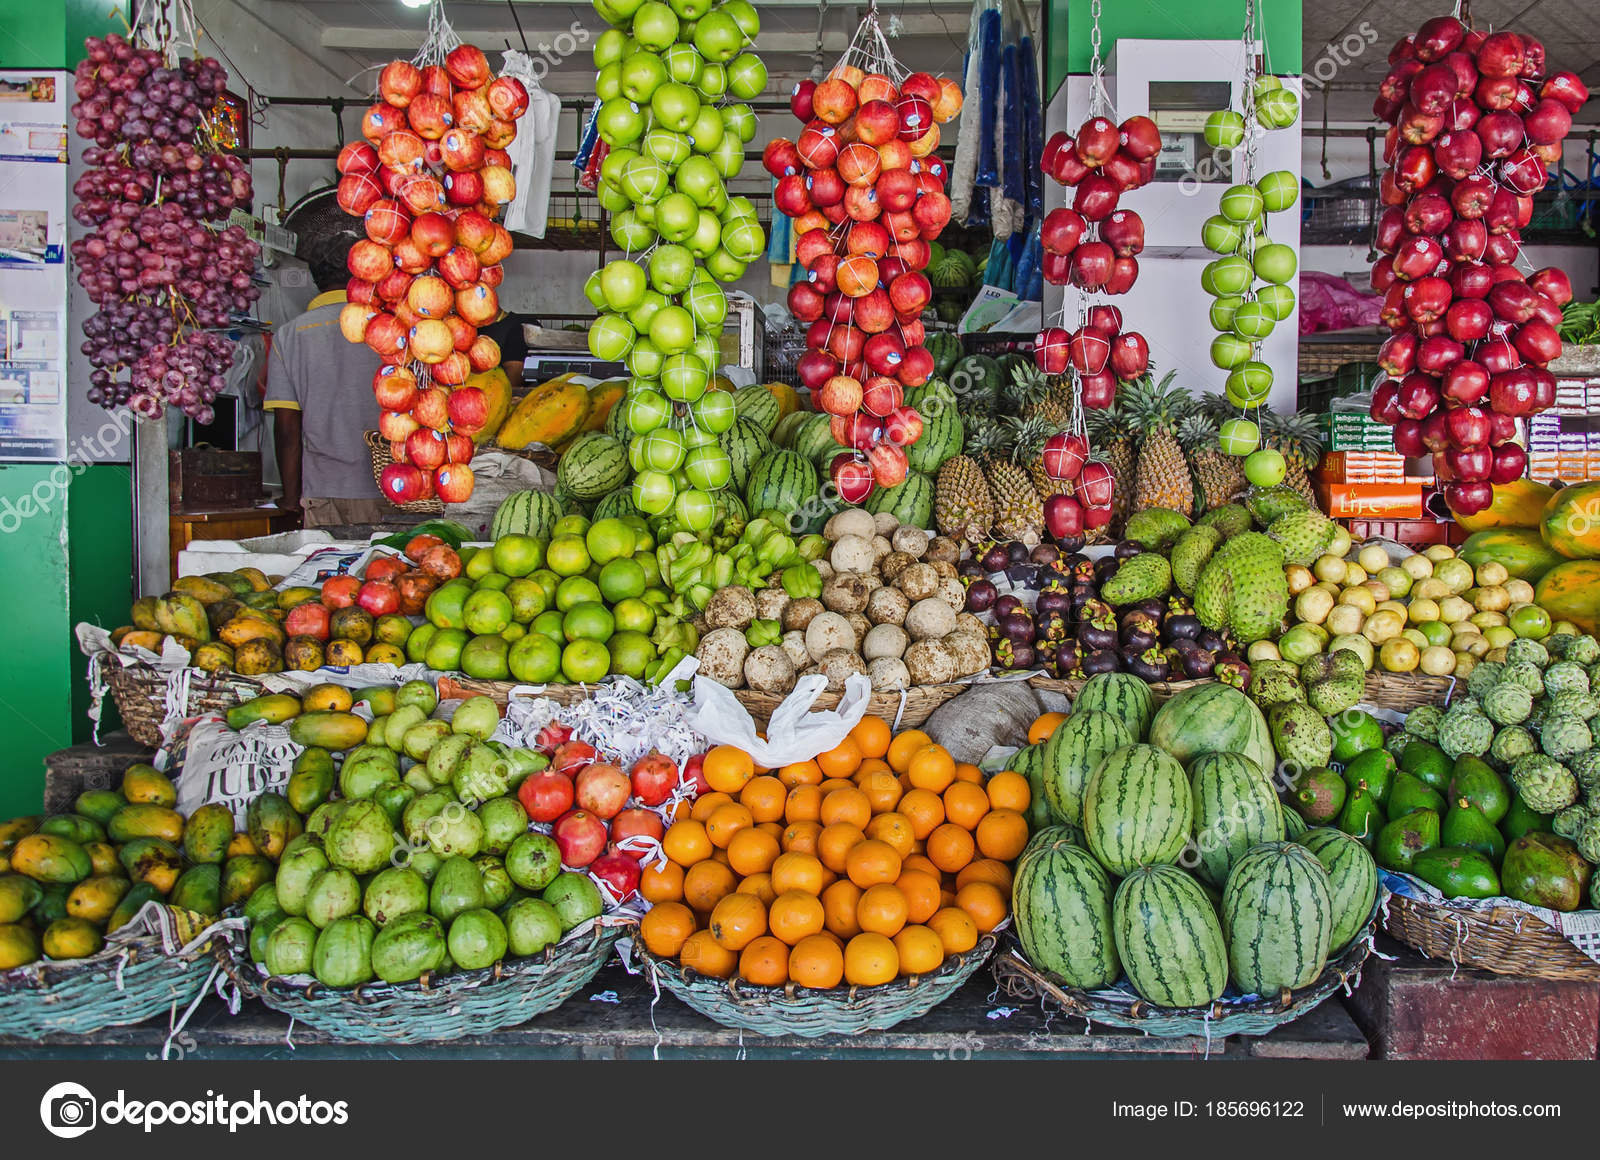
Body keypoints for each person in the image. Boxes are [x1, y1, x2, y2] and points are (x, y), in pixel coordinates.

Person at [264, 192, 389, 528]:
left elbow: (287, 428)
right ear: (365, 273)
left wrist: (291, 498)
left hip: (323, 491)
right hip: (393, 488)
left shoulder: (290, 336)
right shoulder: (391, 330)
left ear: (315, 279)